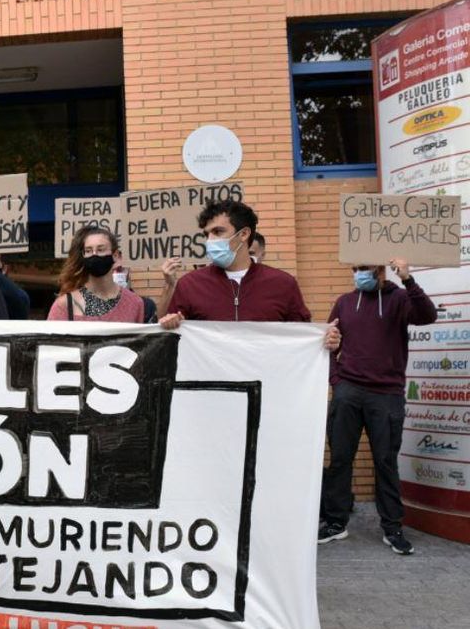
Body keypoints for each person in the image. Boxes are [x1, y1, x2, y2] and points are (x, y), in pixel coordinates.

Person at [318, 258, 437, 555]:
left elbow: (427, 315)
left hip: (386, 394)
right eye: (355, 269)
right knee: (340, 459)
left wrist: (408, 279)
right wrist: (336, 380)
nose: (359, 274)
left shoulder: (398, 298)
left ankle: (392, 527)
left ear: (380, 269)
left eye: (365, 268)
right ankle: (335, 522)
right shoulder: (345, 302)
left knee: (385, 461)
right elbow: (330, 342)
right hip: (348, 391)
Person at [159, 199, 342, 352]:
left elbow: (303, 335)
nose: (210, 241)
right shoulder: (190, 284)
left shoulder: (282, 284)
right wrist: (170, 323)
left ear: (244, 234)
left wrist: (324, 340)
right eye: (207, 234)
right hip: (211, 389)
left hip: (269, 386)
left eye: (218, 232)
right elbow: (169, 337)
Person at [48, 226, 146, 323]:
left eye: (101, 250)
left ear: (115, 255)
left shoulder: (135, 303)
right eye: (88, 251)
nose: (94, 254)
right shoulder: (64, 305)